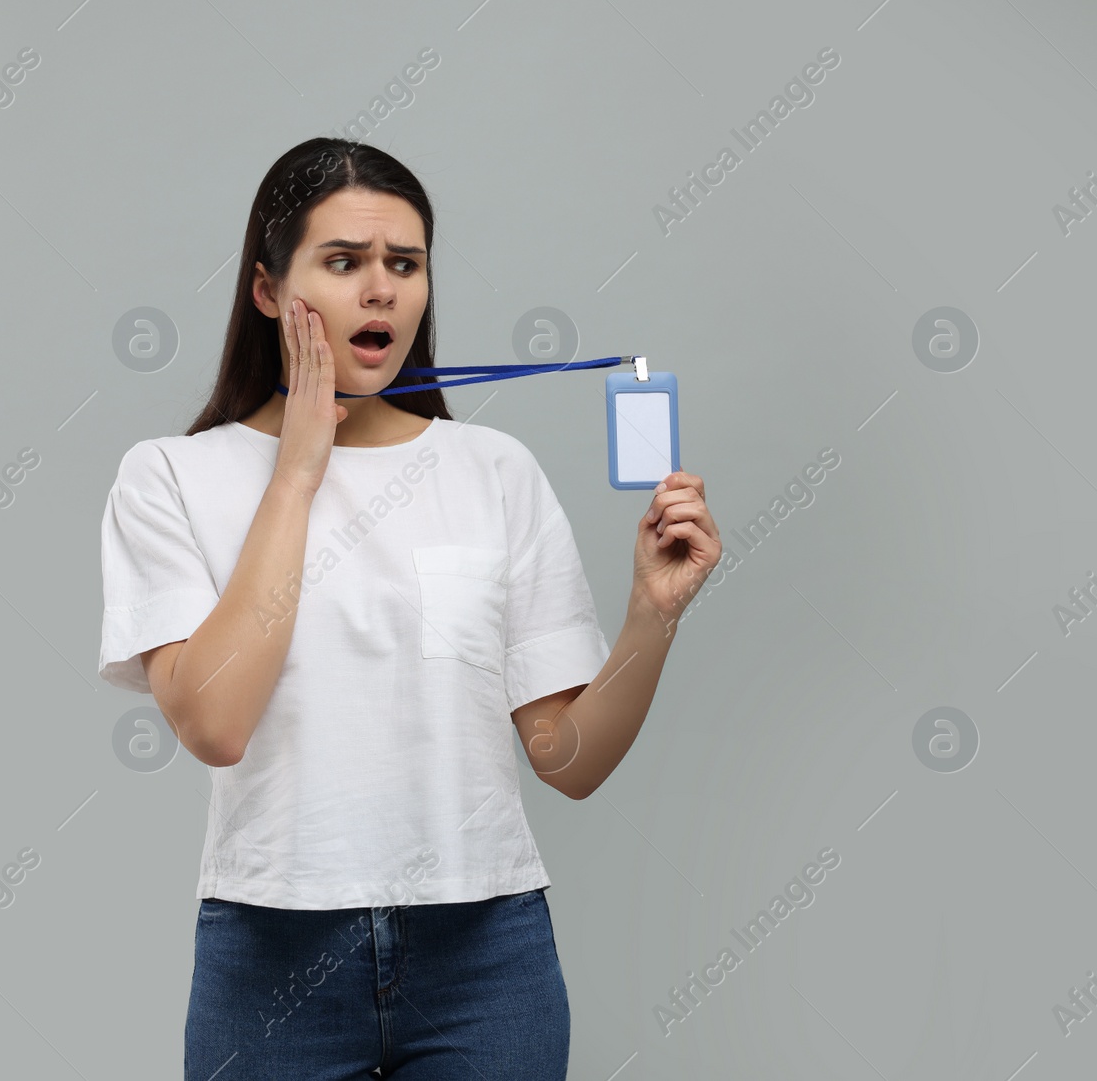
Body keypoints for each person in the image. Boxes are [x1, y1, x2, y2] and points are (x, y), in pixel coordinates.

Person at [98, 137, 720, 1080]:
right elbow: (216, 723)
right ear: (268, 290)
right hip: (271, 955)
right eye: (343, 263)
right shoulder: (172, 478)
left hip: (487, 957)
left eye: (405, 263)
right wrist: (300, 469)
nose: (381, 289)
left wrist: (652, 613)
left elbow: (569, 760)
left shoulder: (494, 472)